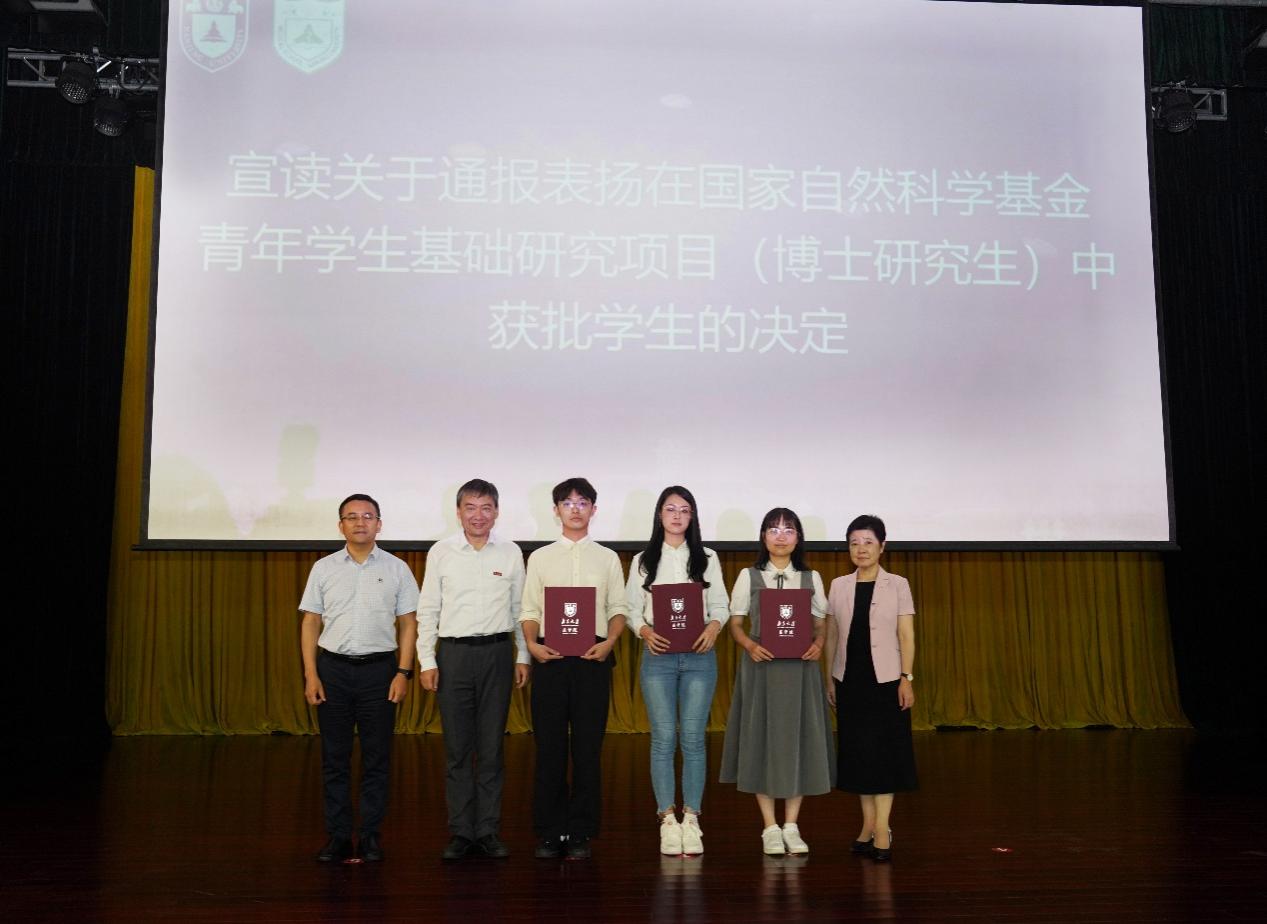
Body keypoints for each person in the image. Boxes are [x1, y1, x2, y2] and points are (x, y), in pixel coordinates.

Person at [299, 494, 419, 863]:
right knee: (334, 758)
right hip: (332, 671)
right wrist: (311, 675)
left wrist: (403, 672)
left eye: (367, 516)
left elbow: (409, 623)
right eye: (351, 517)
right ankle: (338, 836)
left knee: (376, 759)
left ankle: (369, 836)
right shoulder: (323, 568)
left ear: (379, 524)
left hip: (380, 673)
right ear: (341, 526)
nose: (360, 522)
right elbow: (311, 621)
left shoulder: (398, 568)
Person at [416, 479, 529, 861]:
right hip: (454, 656)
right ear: (458, 511)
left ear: (496, 512)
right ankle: (462, 831)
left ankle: (488, 830)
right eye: (470, 507)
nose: (478, 515)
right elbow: (428, 609)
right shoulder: (441, 552)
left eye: (486, 508)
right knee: (458, 749)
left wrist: (523, 656)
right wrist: (427, 661)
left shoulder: (510, 552)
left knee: (492, 748)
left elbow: (520, 610)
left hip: (497, 654)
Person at [520, 477, 627, 860]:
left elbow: (618, 608)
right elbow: (530, 609)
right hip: (550, 659)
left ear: (594, 510)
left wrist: (610, 641)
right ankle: (550, 832)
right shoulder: (540, 557)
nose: (575, 509)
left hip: (592, 659)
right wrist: (532, 644)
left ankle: (581, 831)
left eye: (583, 502)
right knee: (549, 748)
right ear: (556, 510)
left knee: (587, 749)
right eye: (567, 503)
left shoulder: (608, 558)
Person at [719, 507, 835, 856]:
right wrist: (749, 645)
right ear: (763, 537)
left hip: (800, 670)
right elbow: (735, 623)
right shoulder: (748, 576)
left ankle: (792, 825)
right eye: (773, 529)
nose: (780, 536)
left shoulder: (811, 577)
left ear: (798, 538)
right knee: (762, 739)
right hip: (762, 668)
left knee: (798, 739)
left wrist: (818, 643)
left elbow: (821, 621)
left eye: (788, 530)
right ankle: (769, 826)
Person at [626, 486, 729, 856]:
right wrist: (644, 631)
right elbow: (631, 609)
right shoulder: (643, 560)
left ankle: (693, 817)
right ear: (659, 515)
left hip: (699, 656)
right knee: (663, 738)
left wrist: (714, 627)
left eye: (684, 510)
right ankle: (667, 817)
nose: (677, 516)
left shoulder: (707, 558)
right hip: (659, 657)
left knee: (694, 738)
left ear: (692, 517)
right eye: (670, 509)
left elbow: (721, 605)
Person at [825, 514, 917, 863]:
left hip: (887, 681)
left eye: (868, 542)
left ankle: (882, 828)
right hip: (850, 681)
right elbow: (832, 636)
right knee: (858, 756)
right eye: (854, 543)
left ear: (882, 546)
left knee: (884, 755)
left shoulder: (898, 584)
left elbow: (906, 634)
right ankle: (867, 826)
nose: (861, 549)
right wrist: (829, 678)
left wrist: (907, 677)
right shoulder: (838, 585)